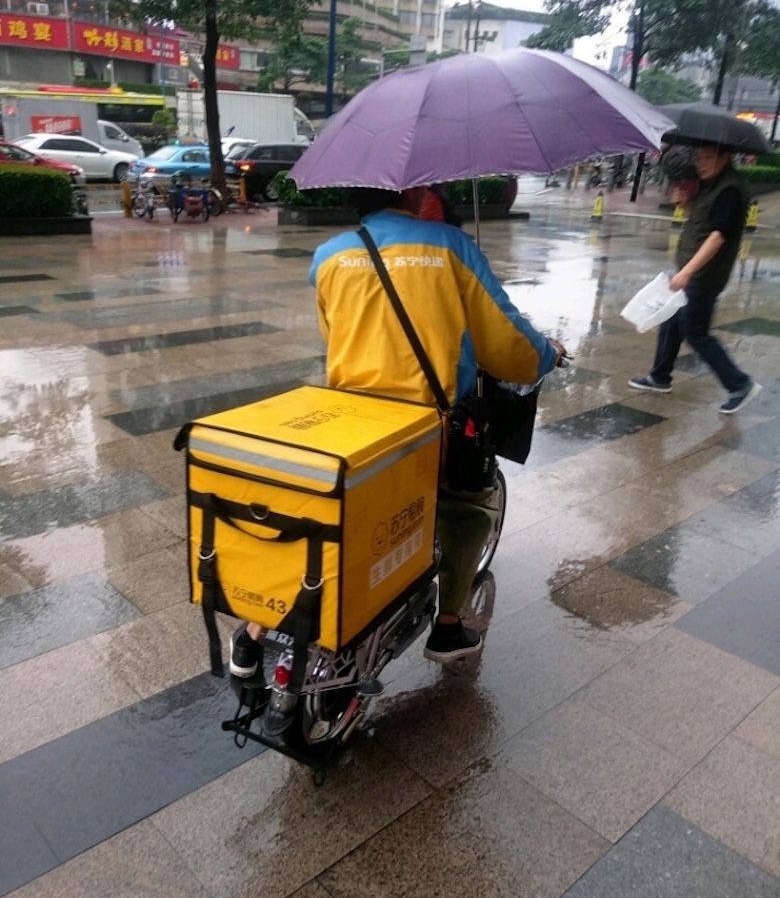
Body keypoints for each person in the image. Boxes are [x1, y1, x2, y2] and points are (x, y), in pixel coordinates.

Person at [228, 186, 566, 676]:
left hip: (349, 424)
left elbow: (337, 337)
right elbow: (506, 342)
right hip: (430, 425)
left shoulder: (329, 257)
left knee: (324, 522)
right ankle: (448, 624)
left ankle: (254, 629)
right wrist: (545, 355)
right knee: (468, 509)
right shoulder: (450, 246)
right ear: (411, 190)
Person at [629, 142, 761, 415]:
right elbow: (701, 221)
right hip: (692, 273)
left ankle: (739, 384)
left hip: (704, 276)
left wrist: (688, 272)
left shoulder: (730, 191)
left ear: (725, 156)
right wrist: (685, 201)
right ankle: (660, 376)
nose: (700, 163)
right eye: (699, 157)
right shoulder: (712, 184)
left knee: (696, 333)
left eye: (707, 158)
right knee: (671, 322)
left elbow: (718, 235)